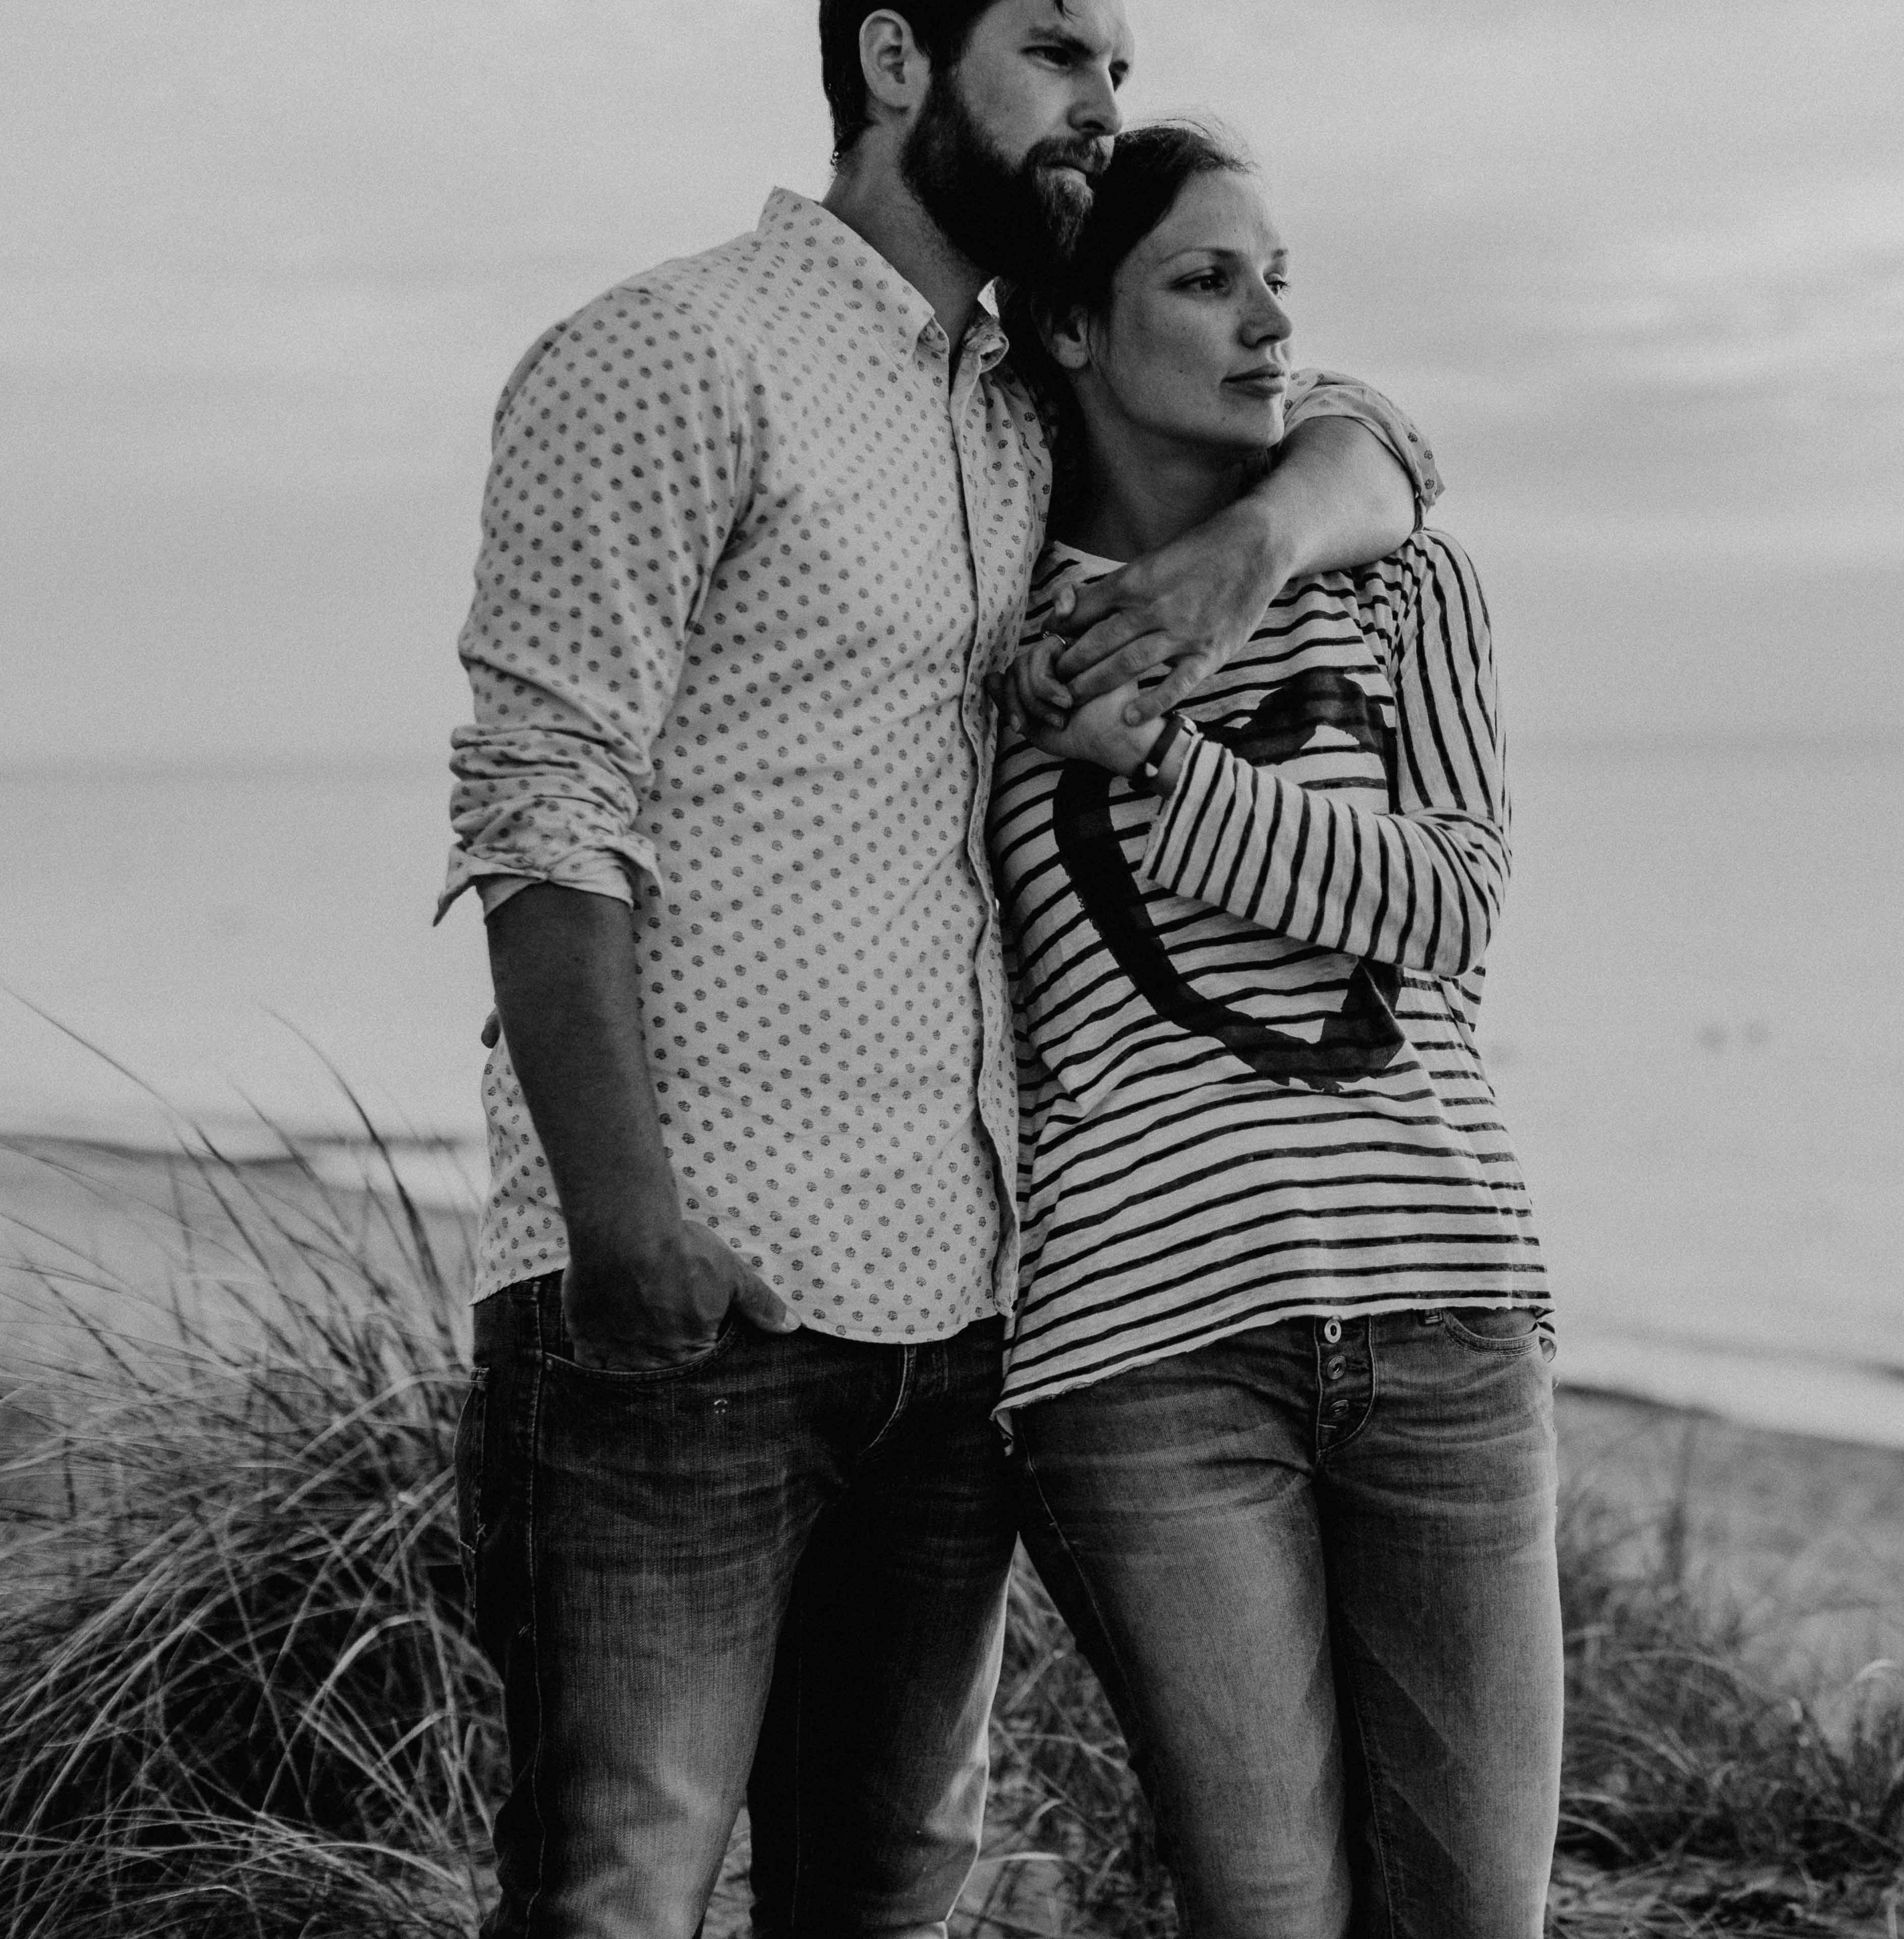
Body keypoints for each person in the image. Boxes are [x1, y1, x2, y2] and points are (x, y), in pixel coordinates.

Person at [438, 3, 1437, 1932]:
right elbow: (542, 798)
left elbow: (1381, 436)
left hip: (953, 1323)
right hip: (684, 1315)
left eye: (1123, 73)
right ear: (896, 59)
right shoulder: (670, 348)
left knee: (892, 1893)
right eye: (1063, 49)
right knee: (616, 1890)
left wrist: (1239, 560)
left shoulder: (1017, 403)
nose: (1102, 105)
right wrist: (626, 1231)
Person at [990, 124, 1558, 1939]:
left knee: (1478, 1911)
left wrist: (1161, 757)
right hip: (1142, 1352)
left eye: (1278, 280)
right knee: (1271, 1913)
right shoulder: (993, 639)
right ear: (1075, 330)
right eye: (1206, 280)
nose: (1267, 324)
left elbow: (1449, 909)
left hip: (1446, 1308)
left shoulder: (1401, 586)